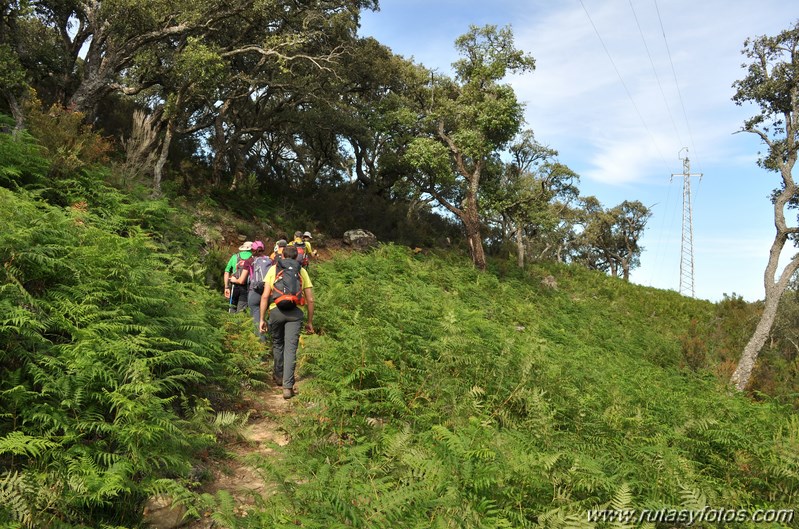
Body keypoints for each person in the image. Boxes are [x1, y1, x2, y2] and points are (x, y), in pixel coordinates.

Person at [259, 245, 314, 399]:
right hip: (295, 313)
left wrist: (262, 319)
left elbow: (264, 296)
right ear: (297, 257)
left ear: (282, 256)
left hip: (276, 311)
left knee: (277, 343)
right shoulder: (301, 271)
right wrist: (310, 321)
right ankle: (287, 387)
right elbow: (310, 299)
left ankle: (278, 376)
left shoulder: (274, 269)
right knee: (291, 348)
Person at [247, 240, 273, 342]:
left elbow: (246, 277)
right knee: (264, 317)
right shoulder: (269, 261)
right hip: (267, 292)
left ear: (253, 250)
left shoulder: (250, 261)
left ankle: (259, 343)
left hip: (255, 291)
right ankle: (269, 337)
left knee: (256, 319)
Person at [224, 241, 253, 313]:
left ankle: (230, 323)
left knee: (232, 309)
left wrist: (226, 287)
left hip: (234, 286)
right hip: (246, 287)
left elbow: (226, 272)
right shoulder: (253, 258)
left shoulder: (234, 257)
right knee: (241, 312)